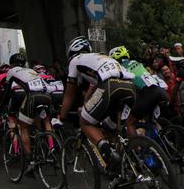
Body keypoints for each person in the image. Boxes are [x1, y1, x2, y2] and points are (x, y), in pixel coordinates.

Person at [52, 37, 136, 174]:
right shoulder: (98, 58)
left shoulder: (75, 61)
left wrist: (61, 118)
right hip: (130, 87)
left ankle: (110, 154)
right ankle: (121, 169)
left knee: (85, 122)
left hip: (110, 86)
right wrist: (87, 107)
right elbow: (92, 89)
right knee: (111, 128)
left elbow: (69, 95)